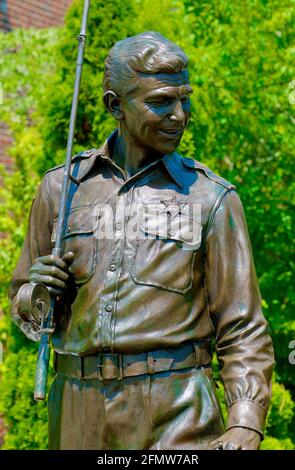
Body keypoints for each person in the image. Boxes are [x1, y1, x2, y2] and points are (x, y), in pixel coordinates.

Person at [10, 31, 274, 450]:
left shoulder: (210, 198)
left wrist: (245, 420)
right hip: (78, 413)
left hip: (176, 413)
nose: (179, 115)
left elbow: (242, 327)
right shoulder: (62, 188)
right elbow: (23, 307)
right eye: (161, 102)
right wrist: (35, 295)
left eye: (184, 99)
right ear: (115, 105)